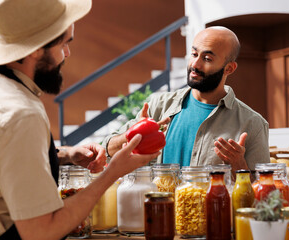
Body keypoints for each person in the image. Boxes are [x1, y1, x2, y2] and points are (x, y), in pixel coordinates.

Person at [0, 0, 160, 239]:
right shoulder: (21, 114)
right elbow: (41, 232)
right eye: (64, 44)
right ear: (36, 49)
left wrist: (64, 155)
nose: (68, 53)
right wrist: (112, 173)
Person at [102, 26, 270, 176]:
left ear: (229, 68)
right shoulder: (159, 107)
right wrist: (132, 135)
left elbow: (264, 200)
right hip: (156, 209)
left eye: (207, 59)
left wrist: (239, 166)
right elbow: (106, 150)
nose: (195, 64)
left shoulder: (252, 124)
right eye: (194, 54)